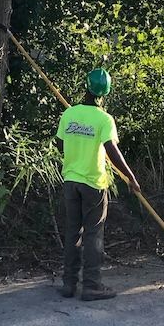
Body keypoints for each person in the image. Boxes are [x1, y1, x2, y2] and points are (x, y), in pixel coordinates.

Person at [55, 67, 140, 301]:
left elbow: (60, 145)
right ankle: (91, 285)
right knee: (93, 234)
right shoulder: (104, 119)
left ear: (85, 87)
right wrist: (131, 177)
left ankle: (69, 284)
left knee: (73, 232)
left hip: (71, 180)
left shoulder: (69, 114)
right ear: (106, 93)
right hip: (93, 183)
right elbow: (112, 151)